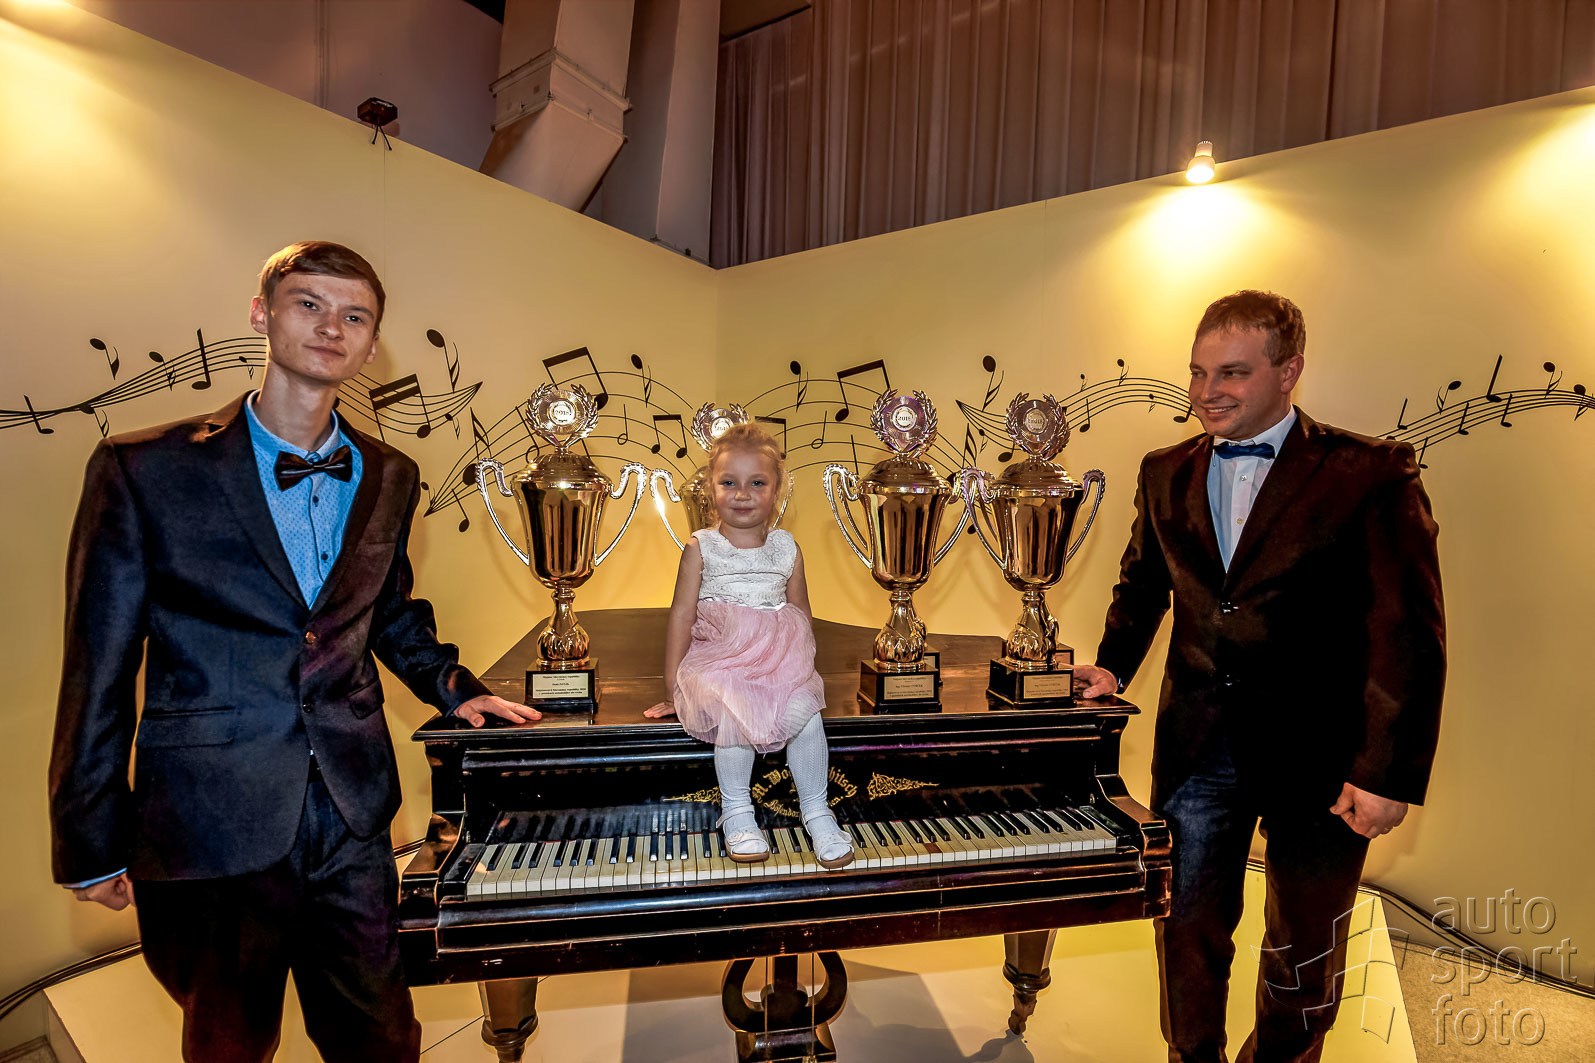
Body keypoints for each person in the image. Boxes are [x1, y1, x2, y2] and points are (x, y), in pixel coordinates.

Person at [48, 240, 539, 1063]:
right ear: (261, 314)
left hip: (350, 811)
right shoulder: (142, 468)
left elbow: (387, 610)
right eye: (308, 303)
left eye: (354, 316)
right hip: (211, 816)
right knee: (230, 1045)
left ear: (370, 344)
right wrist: (88, 836)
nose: (330, 327)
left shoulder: (390, 472)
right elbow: (96, 664)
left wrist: (455, 688)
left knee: (384, 1039)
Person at [1073, 290, 1445, 1063]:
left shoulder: (1370, 472)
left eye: (1231, 373)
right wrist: (1109, 665)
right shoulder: (1162, 470)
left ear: (1288, 371)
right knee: (1185, 925)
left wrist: (1385, 773)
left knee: (1303, 949)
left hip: (1324, 756)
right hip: (1195, 747)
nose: (1206, 391)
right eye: (1197, 372)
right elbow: (1141, 588)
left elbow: (1406, 632)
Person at [642, 424, 853, 869]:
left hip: (780, 660)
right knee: (734, 715)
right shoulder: (702, 547)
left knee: (807, 716)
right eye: (729, 482)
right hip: (722, 659)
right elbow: (681, 615)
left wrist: (801, 673)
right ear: (710, 488)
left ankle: (817, 812)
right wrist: (673, 687)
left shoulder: (786, 547)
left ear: (777, 491)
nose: (742, 494)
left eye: (757, 483)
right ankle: (737, 811)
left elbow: (801, 612)